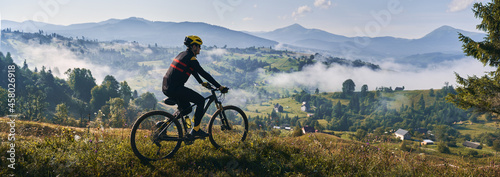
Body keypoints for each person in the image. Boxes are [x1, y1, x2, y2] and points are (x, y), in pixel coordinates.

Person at [162, 35, 226, 138]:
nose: (200, 48)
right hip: (175, 88)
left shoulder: (182, 54)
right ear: (194, 46)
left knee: (186, 109)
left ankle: (164, 124)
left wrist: (201, 82)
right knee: (200, 101)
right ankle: (196, 130)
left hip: (167, 86)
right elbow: (203, 73)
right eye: (199, 46)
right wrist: (219, 86)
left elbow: (193, 70)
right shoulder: (191, 58)